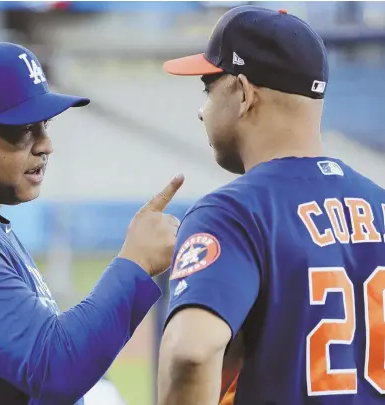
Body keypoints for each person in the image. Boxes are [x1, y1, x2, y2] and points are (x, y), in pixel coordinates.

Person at [157, 5, 385, 405]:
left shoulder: (233, 213)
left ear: (244, 93)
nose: (201, 109)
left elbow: (190, 353)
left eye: (208, 87)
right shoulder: (380, 205)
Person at [0, 40, 184, 405]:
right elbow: (55, 367)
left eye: (44, 125)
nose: (45, 144)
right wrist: (136, 263)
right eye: (23, 128)